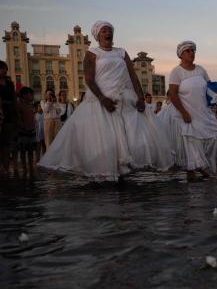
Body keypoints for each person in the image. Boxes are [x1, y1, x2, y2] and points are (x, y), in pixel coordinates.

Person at [39, 21, 135, 181]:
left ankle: (120, 169)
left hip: (121, 98)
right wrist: (103, 99)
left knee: (123, 134)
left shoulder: (122, 52)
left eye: (109, 30)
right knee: (102, 136)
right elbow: (89, 79)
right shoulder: (92, 52)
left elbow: (133, 76)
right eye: (103, 30)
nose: (107, 33)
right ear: (98, 35)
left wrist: (138, 96)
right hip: (98, 100)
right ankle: (102, 172)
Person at [167, 40, 217, 180]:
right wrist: (184, 112)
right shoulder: (176, 72)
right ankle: (192, 172)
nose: (191, 53)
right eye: (188, 51)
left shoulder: (200, 70)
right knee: (191, 140)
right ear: (181, 54)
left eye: (193, 51)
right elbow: (173, 94)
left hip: (203, 111)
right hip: (186, 112)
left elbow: (209, 89)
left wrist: (216, 104)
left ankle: (204, 165)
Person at [0, 59, 18, 178]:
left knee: (7, 143)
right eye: (4, 69)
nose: (6, 71)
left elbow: (13, 98)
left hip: (9, 113)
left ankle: (5, 168)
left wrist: (16, 114)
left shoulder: (9, 83)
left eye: (6, 69)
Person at [16, 86, 37, 179]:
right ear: (24, 95)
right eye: (30, 94)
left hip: (32, 130)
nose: (32, 96)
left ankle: (31, 167)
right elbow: (19, 118)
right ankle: (25, 167)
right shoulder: (19, 105)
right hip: (23, 131)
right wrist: (22, 126)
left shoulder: (31, 105)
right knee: (23, 150)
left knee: (31, 151)